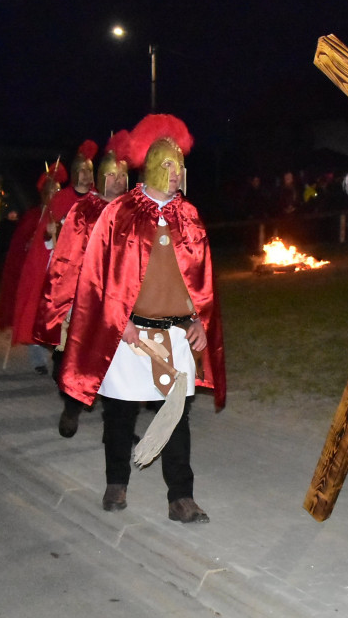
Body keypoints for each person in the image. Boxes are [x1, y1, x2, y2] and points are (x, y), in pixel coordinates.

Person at [59, 114, 226, 521]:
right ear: (151, 166)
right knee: (119, 414)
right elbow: (97, 277)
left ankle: (180, 498)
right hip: (128, 334)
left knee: (176, 419)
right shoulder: (119, 213)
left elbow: (199, 280)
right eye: (168, 165)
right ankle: (116, 483)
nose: (175, 174)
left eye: (180, 167)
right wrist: (119, 321)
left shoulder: (190, 217)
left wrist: (199, 321)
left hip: (175, 335)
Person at [41, 130, 131, 437]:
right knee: (80, 360)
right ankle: (72, 408)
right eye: (113, 176)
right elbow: (67, 256)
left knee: (118, 362)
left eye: (123, 176)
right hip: (87, 297)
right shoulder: (84, 209)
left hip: (122, 299)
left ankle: (117, 426)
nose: (119, 182)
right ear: (101, 177)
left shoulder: (132, 212)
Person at [0, 157, 75, 374]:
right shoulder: (32, 216)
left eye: (58, 192)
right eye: (51, 192)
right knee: (32, 314)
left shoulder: (68, 216)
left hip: (59, 276)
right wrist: (30, 245)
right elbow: (18, 247)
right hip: (36, 275)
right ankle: (38, 359)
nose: (54, 196)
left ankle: (58, 357)